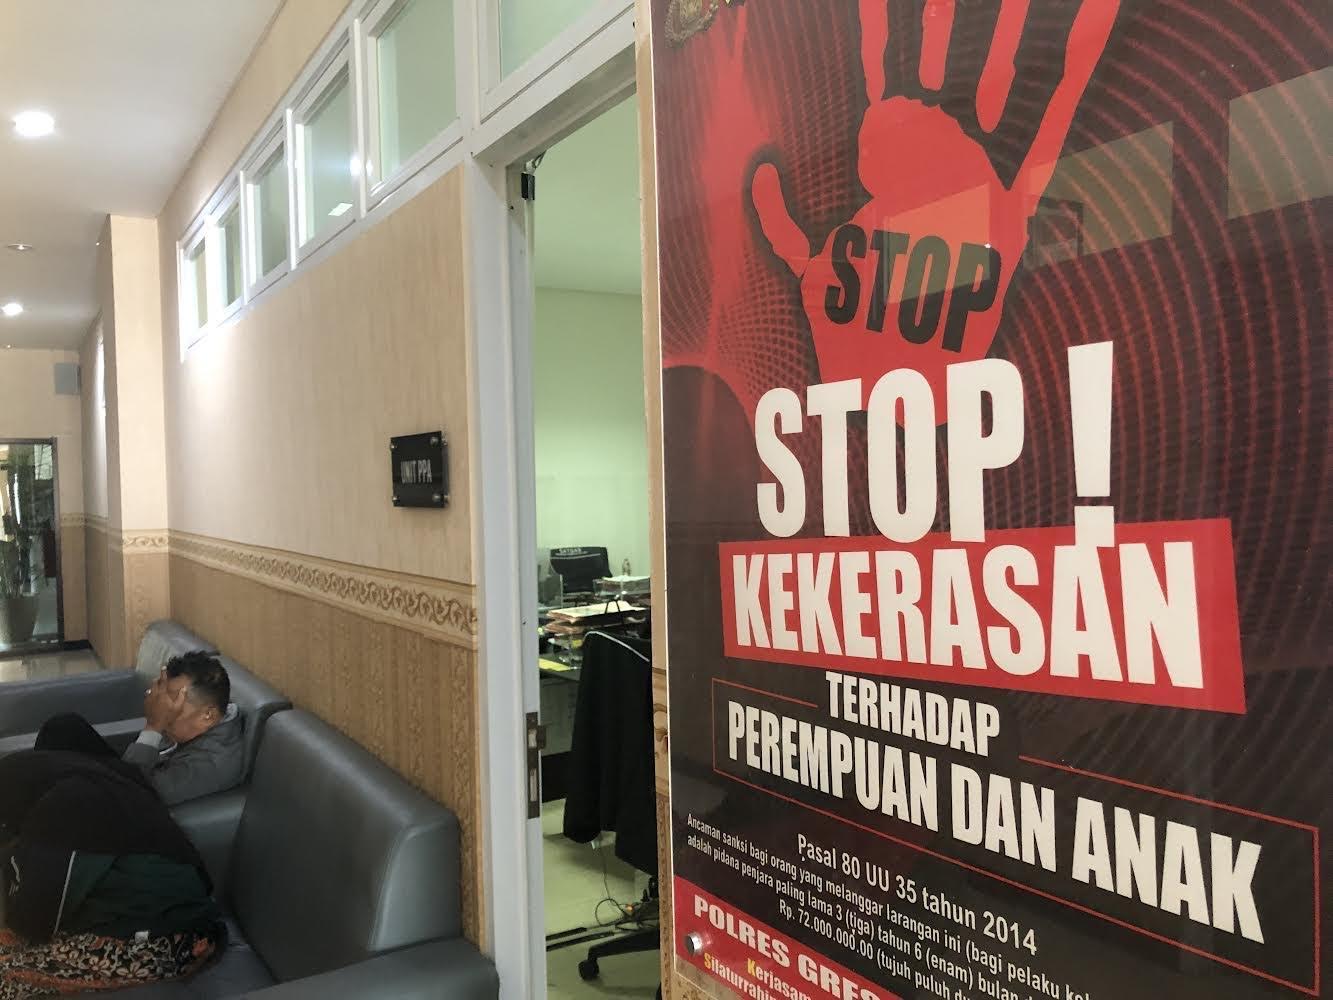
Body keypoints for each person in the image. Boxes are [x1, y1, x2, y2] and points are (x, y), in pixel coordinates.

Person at [0, 749, 224, 997]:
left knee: (6, 978)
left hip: (167, 942)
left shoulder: (60, 815)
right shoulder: (87, 778)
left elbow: (33, 921)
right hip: (151, 914)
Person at [36, 651, 245, 806]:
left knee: (61, 788)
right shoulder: (196, 725)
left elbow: (132, 792)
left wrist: (154, 726)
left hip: (133, 801)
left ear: (208, 715)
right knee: (63, 728)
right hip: (131, 773)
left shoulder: (212, 764)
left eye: (173, 703)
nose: (166, 709)